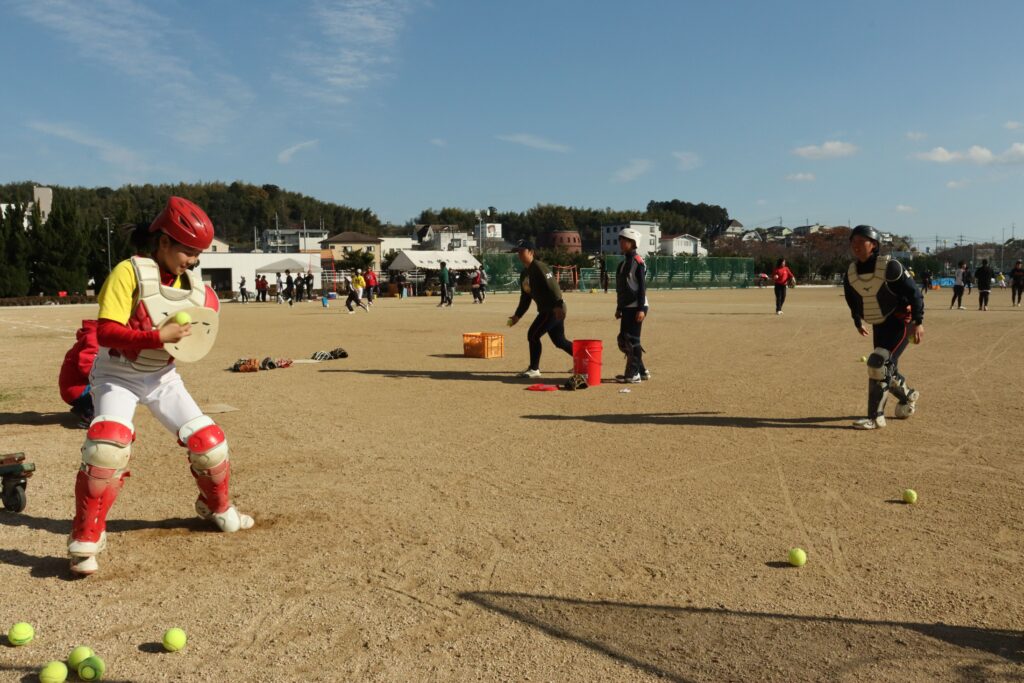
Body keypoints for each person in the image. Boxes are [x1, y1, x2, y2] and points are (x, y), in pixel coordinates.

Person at [67, 197, 253, 576]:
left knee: (211, 444)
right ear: (164, 241)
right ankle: (87, 535)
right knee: (108, 446)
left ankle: (216, 507)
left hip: (161, 377)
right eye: (189, 250)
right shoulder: (128, 272)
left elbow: (196, 333)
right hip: (118, 373)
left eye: (199, 253)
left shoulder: (192, 282)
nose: (195, 260)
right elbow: (104, 332)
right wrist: (157, 335)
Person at [842, 225, 924, 430]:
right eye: (853, 242)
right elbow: (852, 299)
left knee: (878, 363)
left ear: (874, 245)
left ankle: (875, 417)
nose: (856, 246)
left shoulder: (891, 267)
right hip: (879, 323)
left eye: (862, 241)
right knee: (885, 367)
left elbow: (915, 294)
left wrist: (918, 321)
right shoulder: (851, 272)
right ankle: (908, 395)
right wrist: (856, 321)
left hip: (900, 321)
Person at [507, 240, 573, 377]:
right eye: (517, 252)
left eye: (521, 251)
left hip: (553, 309)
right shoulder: (524, 274)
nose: (518, 254)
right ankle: (584, 361)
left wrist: (558, 305)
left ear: (531, 252)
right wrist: (517, 316)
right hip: (546, 310)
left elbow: (554, 287)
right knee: (560, 341)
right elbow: (525, 298)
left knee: (533, 335)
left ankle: (534, 369)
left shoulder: (539, 267)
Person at [614, 228, 650, 383]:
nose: (622, 243)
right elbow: (621, 288)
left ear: (633, 243)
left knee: (632, 340)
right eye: (620, 240)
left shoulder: (638, 262)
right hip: (627, 306)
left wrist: (641, 308)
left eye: (625, 240)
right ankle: (641, 371)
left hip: (637, 306)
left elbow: (642, 287)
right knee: (623, 340)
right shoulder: (622, 264)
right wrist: (619, 307)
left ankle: (633, 374)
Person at [59, 320, 99, 428]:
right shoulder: (94, 338)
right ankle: (90, 415)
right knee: (115, 385)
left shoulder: (93, 335)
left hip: (75, 388)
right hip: (77, 390)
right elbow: (86, 368)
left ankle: (85, 407)